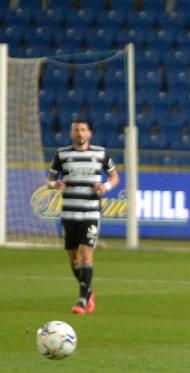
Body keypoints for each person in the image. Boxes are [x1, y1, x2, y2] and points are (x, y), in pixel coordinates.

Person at [46, 118, 119, 314]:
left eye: (83, 130)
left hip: (90, 211)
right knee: (73, 257)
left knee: (86, 253)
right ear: (71, 134)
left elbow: (114, 176)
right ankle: (89, 292)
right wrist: (55, 184)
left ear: (89, 133)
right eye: (76, 130)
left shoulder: (100, 153)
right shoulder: (62, 154)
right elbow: (50, 179)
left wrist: (106, 186)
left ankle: (82, 300)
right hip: (69, 212)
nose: (79, 133)